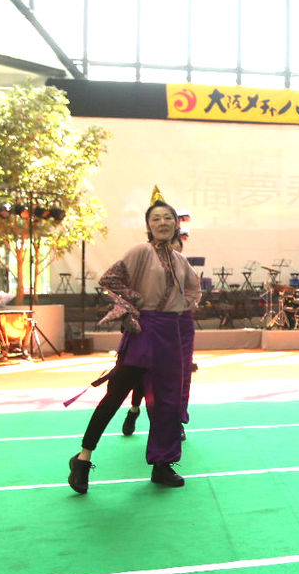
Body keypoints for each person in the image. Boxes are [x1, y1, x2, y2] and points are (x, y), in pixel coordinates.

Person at [67, 188, 201, 493]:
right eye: (156, 218)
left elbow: (194, 289)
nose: (163, 222)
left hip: (170, 334)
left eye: (168, 218)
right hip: (144, 332)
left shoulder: (180, 260)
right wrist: (136, 300)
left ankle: (162, 465)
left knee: (167, 402)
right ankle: (83, 458)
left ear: (176, 224)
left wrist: (185, 304)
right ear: (149, 225)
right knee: (115, 396)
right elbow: (109, 279)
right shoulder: (141, 251)